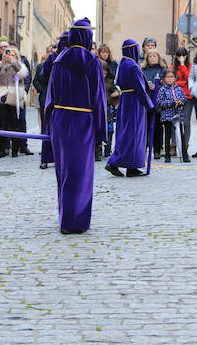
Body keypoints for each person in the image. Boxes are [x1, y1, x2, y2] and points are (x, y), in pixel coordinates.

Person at [45, 19, 107, 234]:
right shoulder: (92, 61)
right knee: (81, 172)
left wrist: (49, 123)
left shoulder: (58, 59)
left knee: (64, 170)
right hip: (83, 120)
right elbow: (98, 97)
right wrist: (102, 129)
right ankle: (77, 221)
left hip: (61, 119)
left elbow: (50, 96)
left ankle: (65, 218)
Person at [106, 39, 153, 177]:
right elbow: (139, 88)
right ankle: (114, 163)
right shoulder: (132, 65)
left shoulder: (123, 63)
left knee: (128, 133)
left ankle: (132, 166)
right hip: (134, 103)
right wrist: (150, 105)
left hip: (126, 101)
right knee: (133, 134)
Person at [0, 46, 29, 158]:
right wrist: (1, 63)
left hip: (15, 97)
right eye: (7, 54)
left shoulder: (20, 65)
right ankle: (2, 150)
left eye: (12, 54)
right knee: (3, 124)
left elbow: (23, 73)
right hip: (2, 96)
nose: (9, 56)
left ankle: (15, 150)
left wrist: (13, 62)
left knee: (16, 124)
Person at [38, 33, 68, 169]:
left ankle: (63, 157)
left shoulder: (72, 57)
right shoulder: (52, 58)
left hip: (67, 98)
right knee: (49, 128)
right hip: (53, 97)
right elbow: (43, 76)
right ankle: (46, 157)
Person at [156, 68, 189, 163]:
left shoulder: (178, 89)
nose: (170, 79)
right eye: (168, 77)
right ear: (164, 78)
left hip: (178, 116)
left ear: (175, 78)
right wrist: (172, 102)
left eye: (172, 77)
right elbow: (160, 102)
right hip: (167, 116)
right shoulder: (162, 90)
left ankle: (184, 155)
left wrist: (180, 102)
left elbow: (184, 98)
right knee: (167, 136)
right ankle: (167, 155)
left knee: (181, 136)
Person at [141, 49, 167, 159]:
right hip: (146, 101)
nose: (152, 58)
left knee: (157, 126)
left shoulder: (163, 70)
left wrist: (157, 87)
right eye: (150, 56)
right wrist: (148, 86)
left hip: (158, 101)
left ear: (158, 58)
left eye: (154, 56)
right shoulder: (143, 69)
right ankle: (144, 148)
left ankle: (157, 149)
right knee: (145, 126)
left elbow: (166, 84)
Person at [173, 47, 193, 156]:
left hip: (188, 98)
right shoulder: (172, 68)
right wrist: (183, 83)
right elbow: (173, 82)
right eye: (179, 56)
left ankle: (185, 145)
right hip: (175, 98)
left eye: (183, 55)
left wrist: (182, 66)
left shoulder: (190, 67)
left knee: (186, 122)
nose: (181, 58)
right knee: (174, 121)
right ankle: (174, 145)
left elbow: (189, 78)